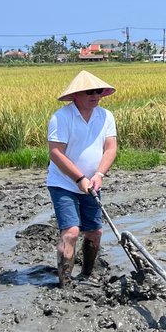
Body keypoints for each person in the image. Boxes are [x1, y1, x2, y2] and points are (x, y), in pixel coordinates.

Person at [47, 70, 117, 288]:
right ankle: (65, 283)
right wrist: (79, 178)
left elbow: (111, 148)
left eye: (98, 91)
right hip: (64, 183)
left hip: (92, 183)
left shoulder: (105, 116)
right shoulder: (62, 117)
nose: (95, 95)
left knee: (95, 231)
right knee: (71, 232)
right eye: (90, 92)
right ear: (76, 95)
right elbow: (55, 153)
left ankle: (87, 273)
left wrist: (99, 174)